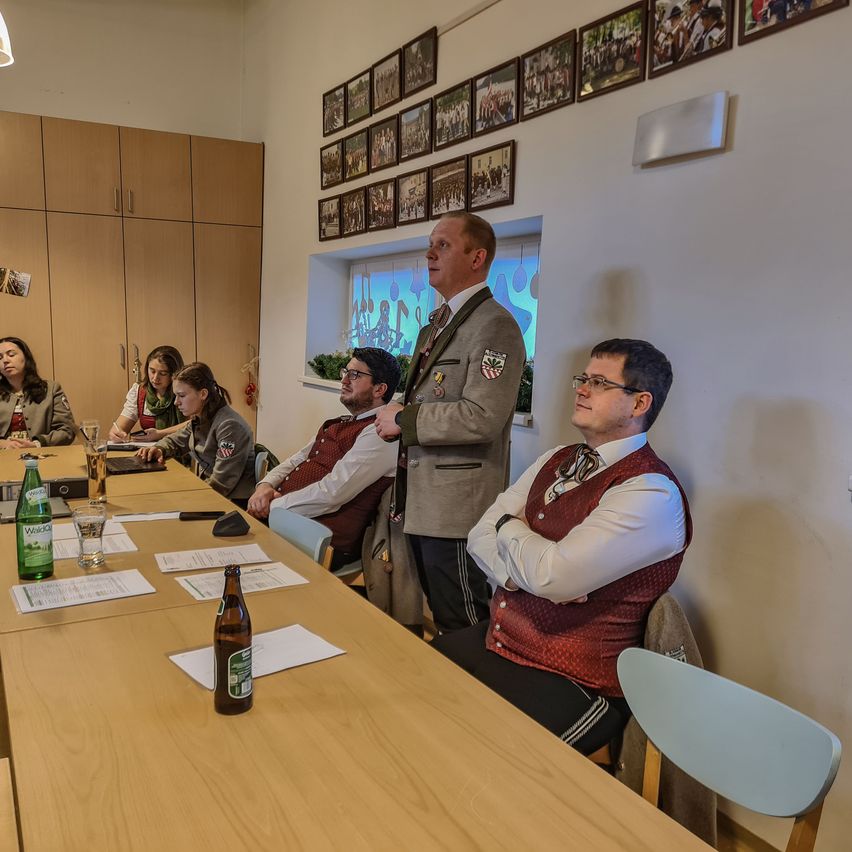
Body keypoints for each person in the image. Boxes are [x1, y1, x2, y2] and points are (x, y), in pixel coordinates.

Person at [432, 339, 691, 756]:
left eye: (600, 383)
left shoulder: (651, 492)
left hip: (575, 680)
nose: (582, 389)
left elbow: (553, 576)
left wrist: (510, 529)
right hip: (501, 641)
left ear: (640, 403)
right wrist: (520, 574)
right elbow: (480, 534)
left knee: (474, 757)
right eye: (583, 379)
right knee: (407, 682)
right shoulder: (557, 457)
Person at [375, 212, 525, 634]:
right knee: (442, 616)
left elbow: (482, 418)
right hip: (421, 500)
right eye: (430, 244)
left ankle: (480, 698)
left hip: (456, 509)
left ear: (477, 257)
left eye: (443, 245)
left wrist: (403, 418)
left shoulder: (495, 326)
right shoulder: (434, 326)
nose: (429, 253)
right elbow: (426, 393)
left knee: (465, 621)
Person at [248, 347, 400, 570]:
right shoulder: (341, 422)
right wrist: (265, 485)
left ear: (380, 389)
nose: (345, 380)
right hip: (285, 520)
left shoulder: (380, 434)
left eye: (355, 375)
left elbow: (333, 492)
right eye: (345, 372)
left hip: (319, 539)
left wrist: (275, 505)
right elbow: (297, 458)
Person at [137, 362, 255, 505]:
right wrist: (159, 449)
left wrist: (186, 498)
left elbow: (220, 484)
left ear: (203, 394)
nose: (176, 402)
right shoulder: (201, 417)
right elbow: (176, 440)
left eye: (181, 395)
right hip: (213, 495)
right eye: (175, 396)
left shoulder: (229, 426)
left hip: (232, 503)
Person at [0, 337, 76, 448]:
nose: (5, 360)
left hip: (41, 457)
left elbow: (67, 430)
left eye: (11, 355)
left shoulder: (51, 389)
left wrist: (37, 443)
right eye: (0, 357)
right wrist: (2, 444)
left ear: (26, 358)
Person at [108, 345, 187, 443]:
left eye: (162, 373)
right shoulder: (139, 392)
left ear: (174, 374)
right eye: (152, 371)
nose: (155, 378)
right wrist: (116, 434)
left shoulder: (185, 392)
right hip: (149, 451)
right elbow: (119, 428)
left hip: (179, 451)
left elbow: (194, 423)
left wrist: (160, 434)